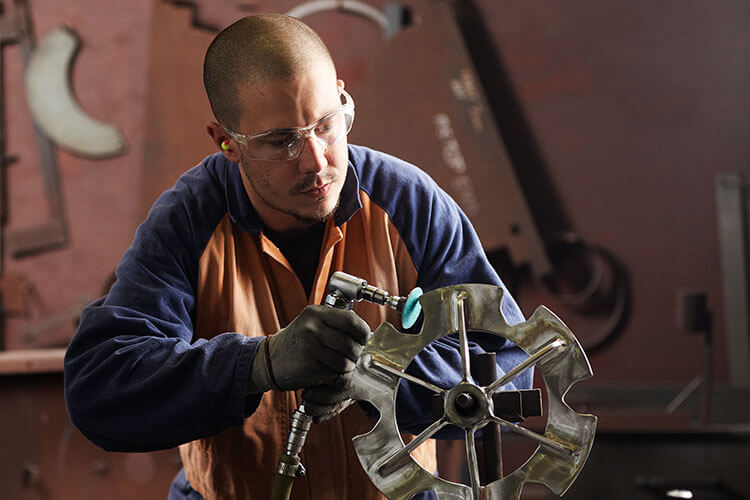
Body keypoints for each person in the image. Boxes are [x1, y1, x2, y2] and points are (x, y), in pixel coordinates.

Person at [63, 14, 532, 500]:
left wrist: (378, 376)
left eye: (327, 125)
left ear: (342, 95)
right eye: (281, 141)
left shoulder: (408, 203)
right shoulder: (188, 223)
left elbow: (511, 369)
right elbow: (101, 388)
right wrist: (258, 366)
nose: (316, 161)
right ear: (226, 141)